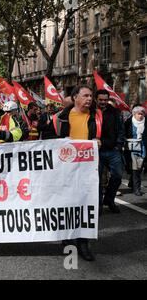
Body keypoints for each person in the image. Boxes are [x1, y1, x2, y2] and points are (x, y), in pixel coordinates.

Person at [51, 85, 102, 262]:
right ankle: (67, 237)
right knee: (67, 203)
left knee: (86, 205)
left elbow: (112, 137)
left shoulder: (97, 116)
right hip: (66, 169)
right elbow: (49, 143)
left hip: (89, 169)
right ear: (75, 98)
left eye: (91, 96)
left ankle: (83, 243)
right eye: (85, 95)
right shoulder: (61, 117)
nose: (89, 98)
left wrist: (99, 141)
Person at [95, 89, 124, 214]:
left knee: (117, 176)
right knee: (97, 179)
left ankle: (109, 199)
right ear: (96, 99)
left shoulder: (115, 112)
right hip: (97, 151)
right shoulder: (91, 112)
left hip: (113, 150)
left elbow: (121, 129)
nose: (103, 102)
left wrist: (118, 144)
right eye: (100, 100)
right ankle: (98, 205)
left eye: (105, 100)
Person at [124, 105, 147, 196]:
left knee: (139, 167)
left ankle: (134, 185)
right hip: (131, 148)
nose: (141, 116)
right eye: (139, 114)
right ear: (134, 114)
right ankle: (135, 187)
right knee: (134, 168)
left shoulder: (146, 122)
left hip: (143, 147)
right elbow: (123, 133)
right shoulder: (129, 122)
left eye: (142, 114)